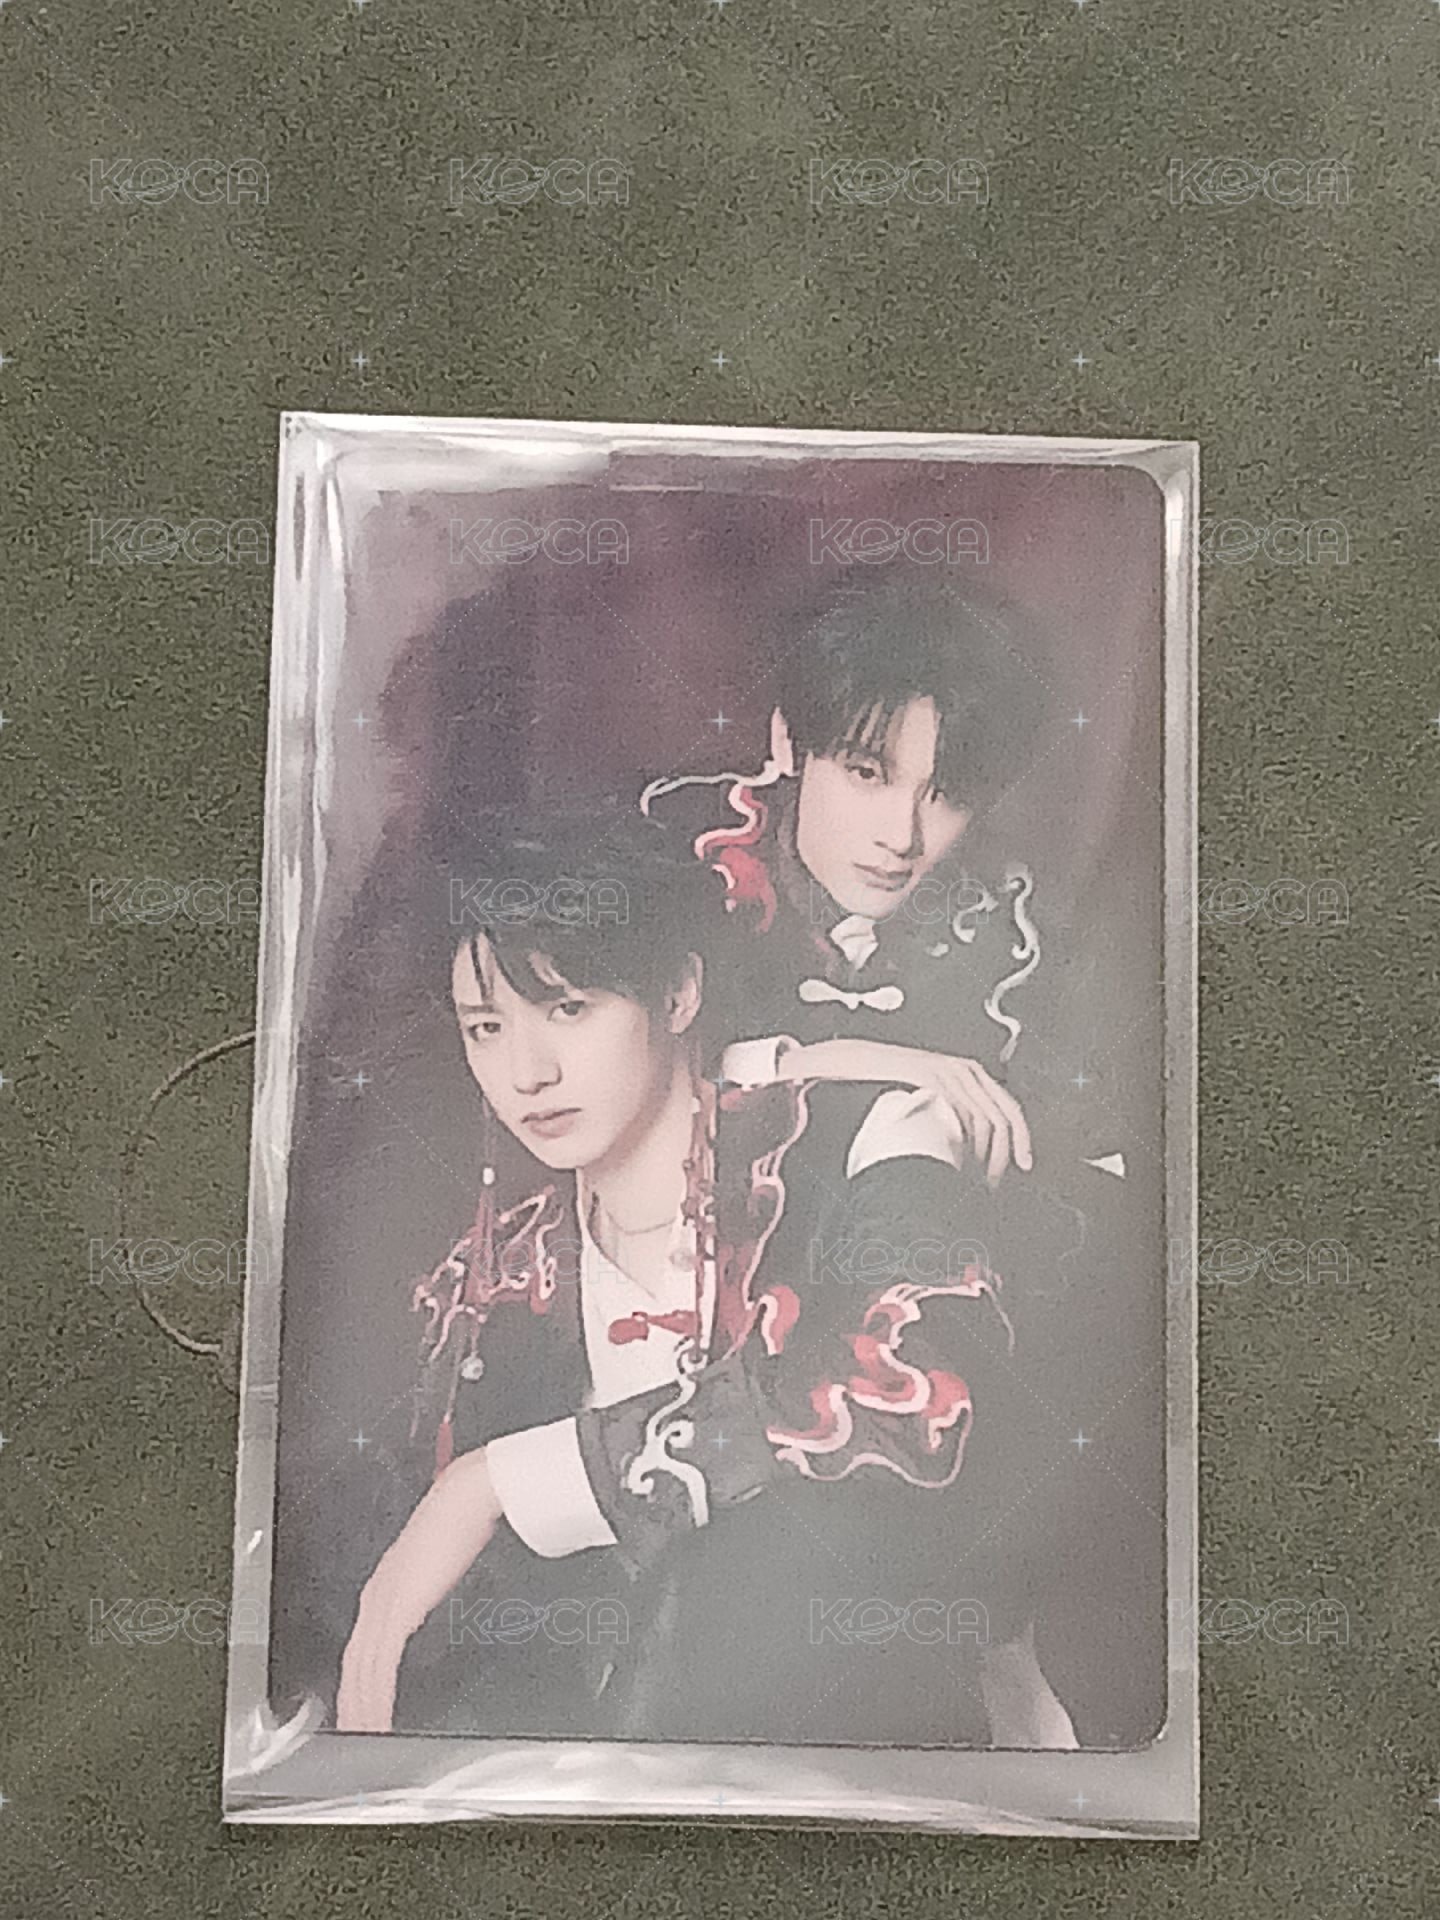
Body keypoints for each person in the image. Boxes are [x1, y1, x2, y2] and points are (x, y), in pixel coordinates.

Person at [336, 809, 1077, 1746]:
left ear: (678, 994)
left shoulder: (869, 1133)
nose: (525, 1073)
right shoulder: (498, 1279)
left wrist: (498, 1481)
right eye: (486, 1027)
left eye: (569, 1009)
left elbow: (908, 1401)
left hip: (895, 1739)